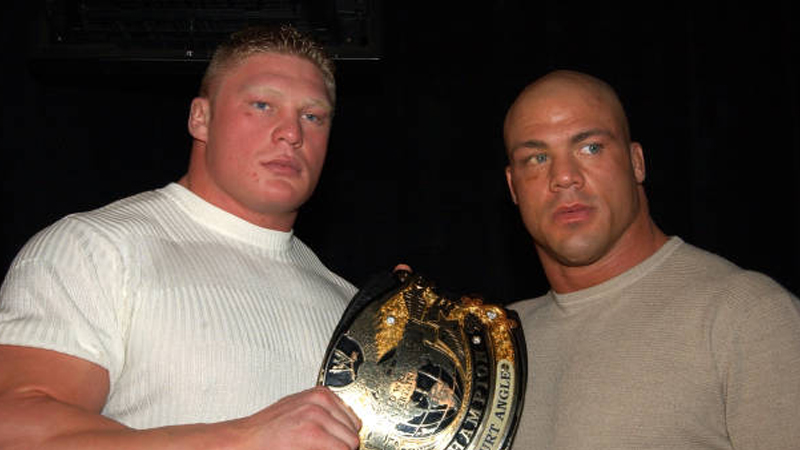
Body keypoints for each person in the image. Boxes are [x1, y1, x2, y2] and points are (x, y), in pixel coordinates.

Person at [0, 25, 363, 449]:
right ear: (201, 118)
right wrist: (242, 439)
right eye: (263, 105)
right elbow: (16, 429)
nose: (292, 133)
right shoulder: (94, 248)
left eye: (312, 116)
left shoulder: (352, 309)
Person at [503, 70, 800, 450]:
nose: (564, 176)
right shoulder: (496, 346)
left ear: (637, 162)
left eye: (590, 147)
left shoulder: (746, 316)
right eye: (537, 157)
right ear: (513, 187)